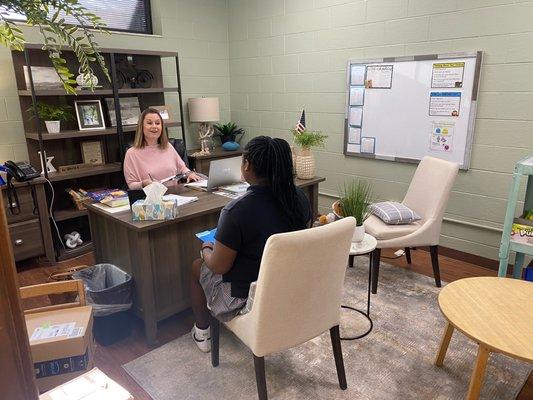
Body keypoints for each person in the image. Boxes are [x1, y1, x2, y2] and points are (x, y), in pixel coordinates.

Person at [189, 136, 312, 352]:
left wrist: (206, 248)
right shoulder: (299, 197)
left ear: (247, 165)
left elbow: (218, 267)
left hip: (246, 297)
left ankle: (201, 332)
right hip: (287, 286)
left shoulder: (237, 211)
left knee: (196, 266)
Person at [123, 108, 201, 189]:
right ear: (141, 127)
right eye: (149, 123)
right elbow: (131, 185)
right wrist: (144, 183)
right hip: (150, 197)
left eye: (157, 123)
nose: (154, 126)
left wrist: (189, 174)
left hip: (175, 194)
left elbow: (182, 168)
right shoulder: (131, 153)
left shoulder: (168, 146)